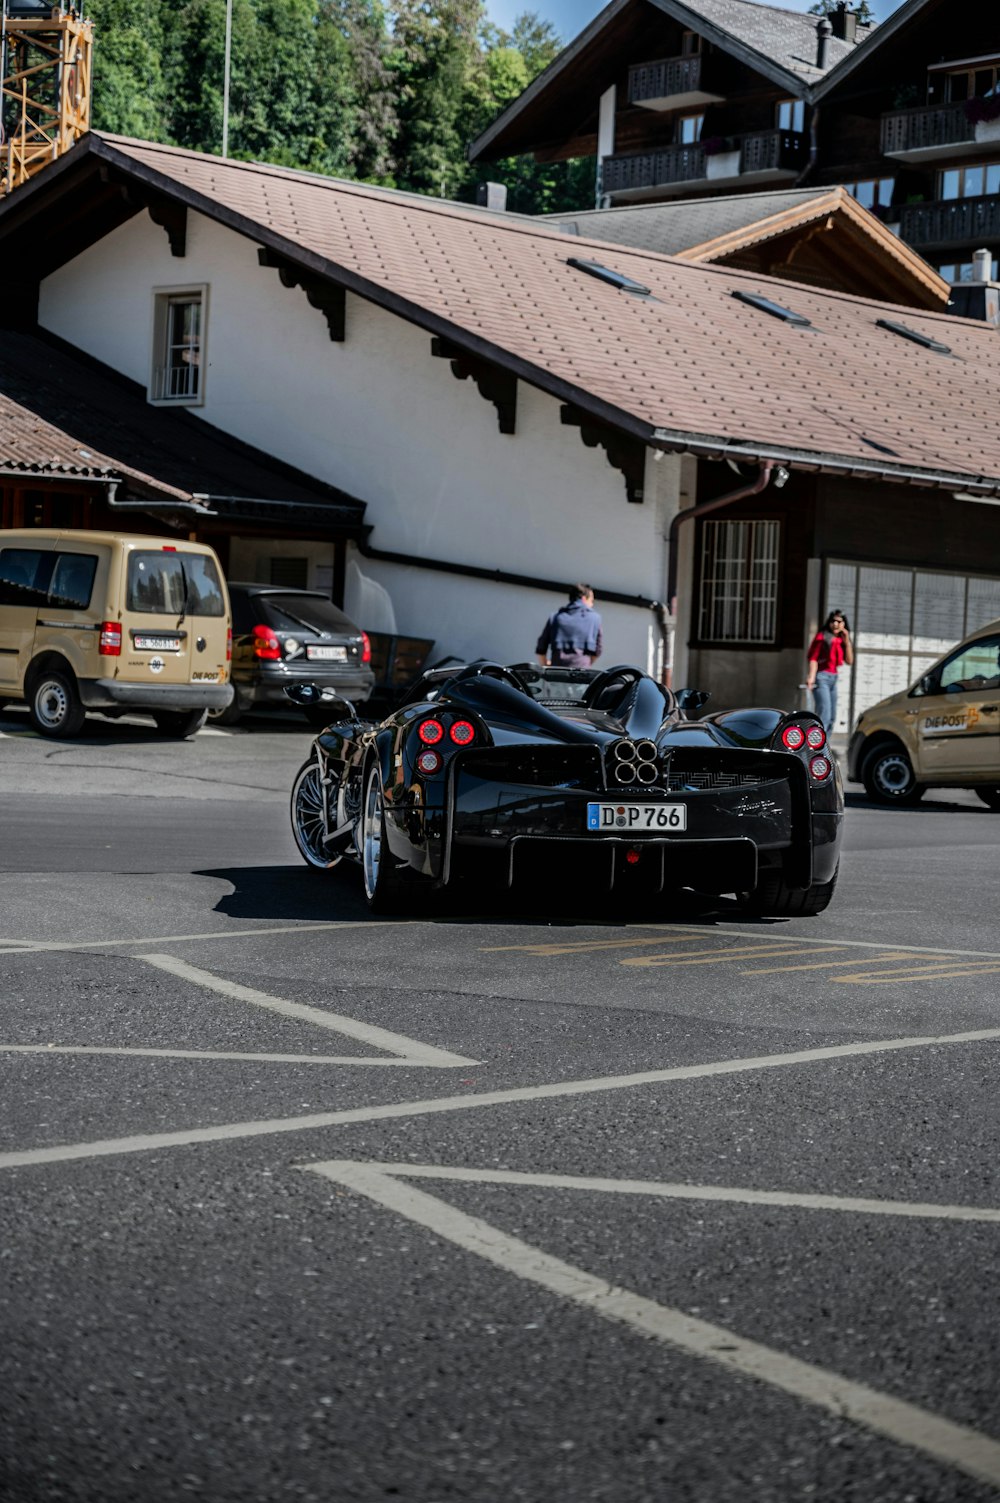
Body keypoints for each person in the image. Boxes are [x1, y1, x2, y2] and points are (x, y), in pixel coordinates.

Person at [805, 608, 853, 733]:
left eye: (839, 621)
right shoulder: (822, 637)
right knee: (824, 715)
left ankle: (825, 745)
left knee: (832, 717)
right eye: (833, 621)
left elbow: (849, 661)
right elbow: (813, 659)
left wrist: (847, 641)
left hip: (833, 679)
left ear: (844, 624)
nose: (836, 624)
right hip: (822, 678)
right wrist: (811, 677)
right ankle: (816, 746)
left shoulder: (842, 639)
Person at [536, 584, 603, 668]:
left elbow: (541, 647)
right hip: (583, 674)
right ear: (584, 599)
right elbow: (598, 650)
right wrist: (586, 664)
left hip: (557, 673)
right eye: (591, 601)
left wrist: (545, 664)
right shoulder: (595, 618)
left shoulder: (555, 617)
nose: (592, 605)